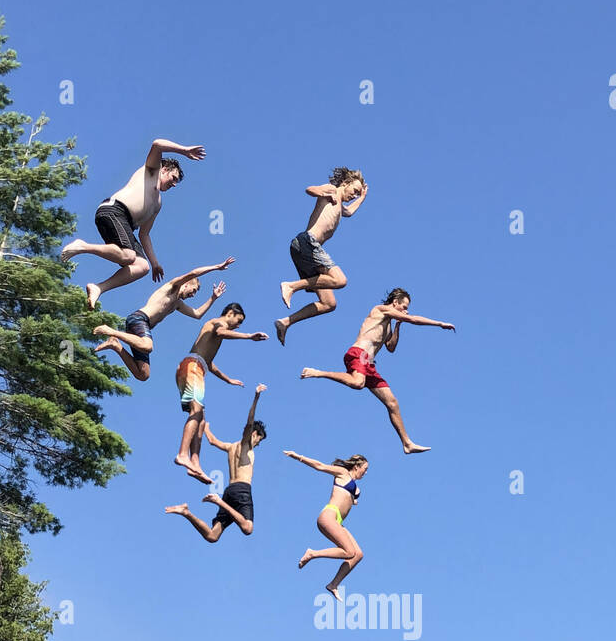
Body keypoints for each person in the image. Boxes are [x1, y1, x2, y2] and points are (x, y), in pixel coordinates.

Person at [300, 289, 455, 454]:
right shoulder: (380, 309)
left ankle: (407, 443)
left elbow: (391, 347)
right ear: (395, 302)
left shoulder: (388, 324)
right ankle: (318, 372)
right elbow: (413, 319)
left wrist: (398, 324)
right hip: (358, 354)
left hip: (369, 363)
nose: (405, 310)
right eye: (404, 306)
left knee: (392, 403)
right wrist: (439, 323)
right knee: (358, 383)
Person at [62, 136, 206, 308]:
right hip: (114, 210)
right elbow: (157, 144)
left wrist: (154, 264)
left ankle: (98, 288)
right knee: (129, 255)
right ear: (164, 170)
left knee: (141, 266)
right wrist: (184, 150)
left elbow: (144, 234)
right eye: (173, 178)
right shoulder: (151, 171)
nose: (174, 184)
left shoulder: (158, 203)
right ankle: (82, 246)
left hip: (125, 225)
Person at [93, 258, 235, 381]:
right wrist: (216, 267)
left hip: (143, 328)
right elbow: (193, 273)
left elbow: (197, 314)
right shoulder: (172, 287)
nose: (193, 295)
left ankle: (115, 345)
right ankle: (111, 331)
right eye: (194, 290)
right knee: (148, 346)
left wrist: (213, 298)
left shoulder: (177, 304)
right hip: (139, 319)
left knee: (143, 374)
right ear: (186, 284)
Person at [175, 304, 268, 484]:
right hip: (192, 367)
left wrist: (228, 379)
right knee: (197, 412)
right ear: (230, 314)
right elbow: (222, 332)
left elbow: (209, 363)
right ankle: (182, 454)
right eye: (238, 321)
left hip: (196, 367)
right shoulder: (217, 323)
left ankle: (195, 462)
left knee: (200, 419)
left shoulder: (214, 334)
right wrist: (248, 336)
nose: (238, 326)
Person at [274, 167, 367, 344]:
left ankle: (285, 322)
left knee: (329, 303)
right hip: (308, 242)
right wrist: (323, 191)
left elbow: (349, 212)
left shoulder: (340, 205)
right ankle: (291, 286)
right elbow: (310, 189)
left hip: (306, 251)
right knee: (340, 280)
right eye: (354, 191)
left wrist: (362, 198)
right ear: (345, 184)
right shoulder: (332, 190)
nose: (353, 195)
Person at [165, 385, 267, 542]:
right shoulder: (246, 445)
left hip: (229, 492)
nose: (258, 444)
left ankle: (186, 512)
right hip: (242, 491)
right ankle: (218, 501)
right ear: (254, 434)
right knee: (247, 528)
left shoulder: (230, 446)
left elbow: (212, 441)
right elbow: (249, 423)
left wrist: (205, 427)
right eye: (259, 440)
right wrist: (256, 398)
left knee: (212, 536)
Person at [285, 450, 370, 596]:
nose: (366, 473)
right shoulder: (343, 473)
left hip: (338, 521)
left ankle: (333, 585)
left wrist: (353, 499)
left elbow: (349, 498)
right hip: (329, 516)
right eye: (365, 469)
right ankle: (312, 553)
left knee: (358, 554)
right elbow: (320, 466)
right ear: (357, 466)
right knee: (349, 551)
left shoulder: (356, 488)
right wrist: (299, 457)